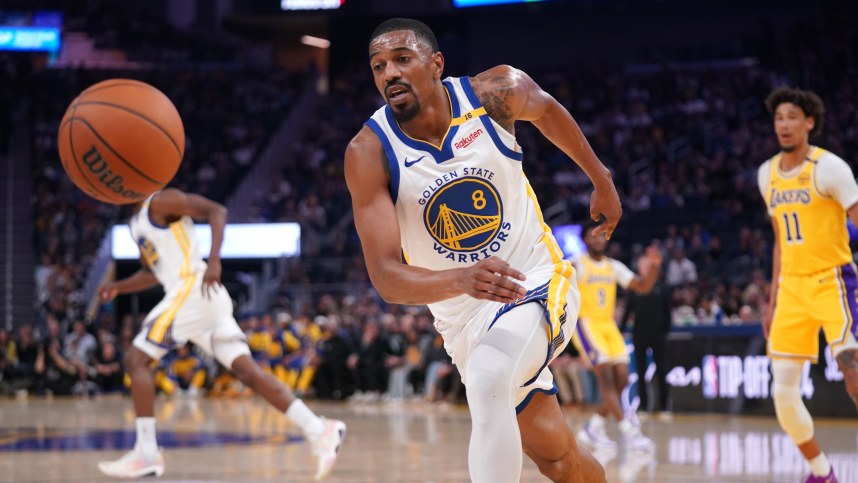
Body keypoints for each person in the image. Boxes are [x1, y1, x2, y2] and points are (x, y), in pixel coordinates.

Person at [344, 17, 622, 482]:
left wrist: (601, 178)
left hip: (533, 278)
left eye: (401, 59)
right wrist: (460, 280)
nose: (389, 73)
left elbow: (549, 111)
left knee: (490, 378)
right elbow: (387, 277)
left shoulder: (494, 93)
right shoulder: (369, 152)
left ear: (436, 64)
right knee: (558, 460)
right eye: (378, 66)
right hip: (462, 319)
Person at [95, 189, 345, 480]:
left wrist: (215, 260)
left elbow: (217, 211)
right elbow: (153, 273)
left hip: (192, 288)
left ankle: (146, 453)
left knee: (136, 359)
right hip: (200, 299)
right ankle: (321, 429)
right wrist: (118, 288)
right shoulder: (134, 224)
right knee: (248, 372)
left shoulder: (161, 200)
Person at [758, 86, 858, 483]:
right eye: (779, 117)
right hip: (791, 290)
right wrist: (772, 299)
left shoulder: (829, 167)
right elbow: (780, 241)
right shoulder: (766, 174)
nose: (784, 124)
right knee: (782, 392)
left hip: (833, 280)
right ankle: (822, 472)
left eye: (792, 117)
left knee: (851, 367)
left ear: (809, 123)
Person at [571, 225, 661, 450]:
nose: (599, 239)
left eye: (602, 235)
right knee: (607, 379)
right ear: (584, 240)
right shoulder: (577, 264)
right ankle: (629, 431)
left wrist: (654, 268)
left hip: (608, 325)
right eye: (594, 235)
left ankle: (594, 425)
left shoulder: (613, 266)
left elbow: (643, 287)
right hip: (587, 324)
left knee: (622, 378)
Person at [620, 264, 672, 417]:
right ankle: (643, 406)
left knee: (662, 372)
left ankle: (664, 408)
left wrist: (665, 333)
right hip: (640, 336)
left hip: (658, 337)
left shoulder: (662, 288)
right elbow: (627, 311)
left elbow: (667, 314)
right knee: (641, 372)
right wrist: (621, 330)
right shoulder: (636, 289)